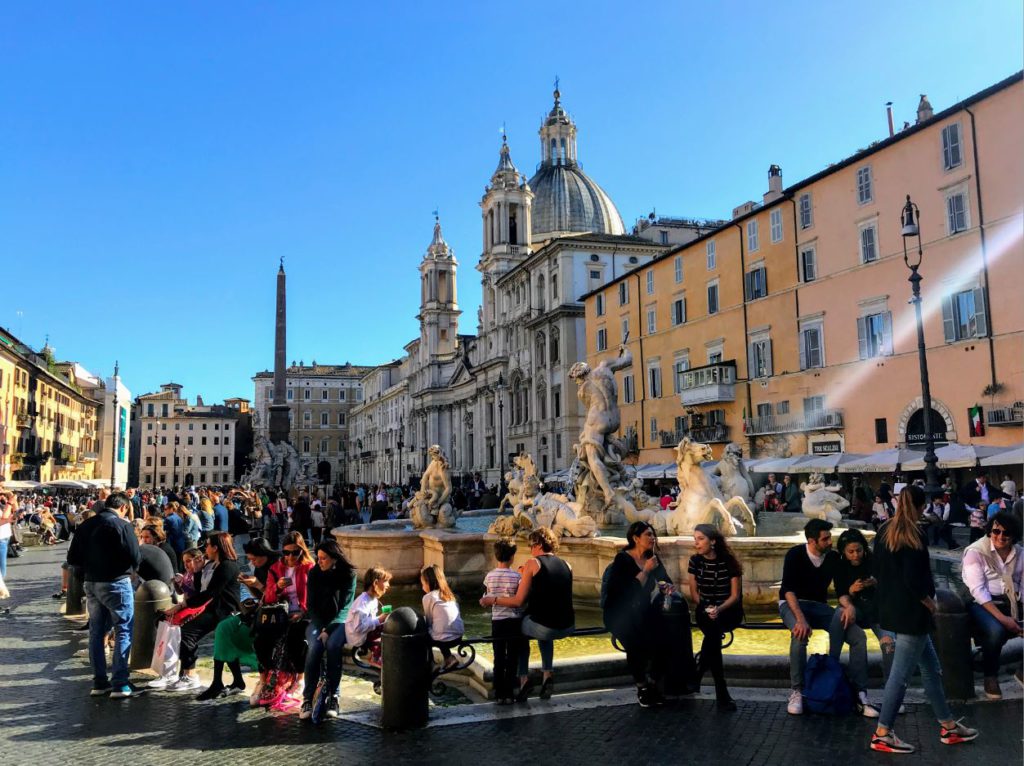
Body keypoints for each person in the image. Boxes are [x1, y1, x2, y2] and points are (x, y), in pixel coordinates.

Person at [870, 485, 979, 754]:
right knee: (900, 676)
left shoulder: (884, 531)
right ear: (920, 507)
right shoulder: (913, 534)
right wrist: (930, 604)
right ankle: (883, 733)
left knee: (931, 669)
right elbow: (914, 579)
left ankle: (949, 726)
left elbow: (878, 571)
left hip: (892, 611)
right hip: (913, 616)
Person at [778, 518, 864, 715]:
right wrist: (800, 619)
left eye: (829, 538)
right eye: (825, 539)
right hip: (792, 604)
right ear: (811, 541)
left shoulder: (832, 557)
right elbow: (788, 591)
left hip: (820, 606)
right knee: (799, 634)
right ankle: (797, 690)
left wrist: (848, 606)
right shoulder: (795, 554)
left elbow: (841, 590)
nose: (829, 542)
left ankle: (860, 692)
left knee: (858, 636)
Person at [480, 527, 574, 701]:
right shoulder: (567, 565)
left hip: (545, 627)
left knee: (519, 627)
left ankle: (523, 679)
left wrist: (492, 600)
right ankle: (547, 674)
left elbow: (518, 601)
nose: (531, 550)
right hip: (567, 625)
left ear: (538, 544)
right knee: (545, 624)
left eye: (531, 546)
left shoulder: (533, 563)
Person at [65, 492, 144, 698]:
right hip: (117, 582)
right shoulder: (122, 526)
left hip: (91, 583)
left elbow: (72, 558)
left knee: (96, 632)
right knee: (123, 630)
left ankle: (99, 682)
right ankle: (120, 683)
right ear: (124, 508)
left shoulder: (86, 526)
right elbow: (136, 556)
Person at [603, 521, 676, 707]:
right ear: (636, 538)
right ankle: (642, 687)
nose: (652, 538)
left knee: (666, 638)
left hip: (641, 611)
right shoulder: (623, 560)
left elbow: (666, 581)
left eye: (653, 534)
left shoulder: (652, 558)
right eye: (648, 535)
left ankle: (652, 682)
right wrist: (646, 570)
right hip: (619, 612)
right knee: (634, 644)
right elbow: (628, 591)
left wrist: (667, 587)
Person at [162, 532, 242, 693]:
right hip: (213, 610)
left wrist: (182, 605)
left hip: (224, 611)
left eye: (207, 545)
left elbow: (211, 592)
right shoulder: (212, 564)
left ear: (215, 547)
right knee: (220, 645)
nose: (205, 548)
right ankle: (237, 682)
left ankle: (190, 675)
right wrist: (197, 571)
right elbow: (200, 590)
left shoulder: (228, 566)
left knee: (190, 634)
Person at [961, 510, 1023, 700]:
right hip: (982, 604)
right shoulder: (976, 552)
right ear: (990, 531)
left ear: (1014, 535)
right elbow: (978, 591)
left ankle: (1022, 671)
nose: (1000, 537)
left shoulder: (1020, 553)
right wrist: (1005, 619)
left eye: (1006, 533)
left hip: (1012, 600)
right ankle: (990, 676)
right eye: (996, 531)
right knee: (995, 631)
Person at [829, 529, 889, 717]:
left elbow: (888, 584)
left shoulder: (874, 561)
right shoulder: (839, 566)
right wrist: (851, 593)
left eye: (859, 550)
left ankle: (891, 695)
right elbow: (841, 595)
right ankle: (852, 687)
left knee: (890, 644)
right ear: (844, 552)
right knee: (844, 618)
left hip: (877, 611)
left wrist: (876, 582)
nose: (856, 555)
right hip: (856, 610)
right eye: (851, 552)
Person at [298, 539, 358, 720]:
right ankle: (307, 698)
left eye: (323, 558)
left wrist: (329, 629)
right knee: (314, 647)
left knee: (333, 646)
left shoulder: (349, 574)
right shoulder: (315, 573)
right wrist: (320, 627)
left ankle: (333, 695)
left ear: (334, 559)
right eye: (318, 558)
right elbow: (311, 606)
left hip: (339, 622)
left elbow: (346, 607)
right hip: (318, 622)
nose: (319, 561)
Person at [688, 523, 743, 711]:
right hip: (705, 609)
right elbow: (694, 593)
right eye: (695, 539)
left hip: (729, 610)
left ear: (713, 541)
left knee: (712, 635)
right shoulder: (695, 561)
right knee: (713, 636)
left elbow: (735, 596)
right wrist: (705, 607)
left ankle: (698, 674)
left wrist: (718, 609)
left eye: (701, 539)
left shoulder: (729, 561)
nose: (697, 543)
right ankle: (721, 693)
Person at [482, 538, 526, 705]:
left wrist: (484, 601)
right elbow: (519, 598)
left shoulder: (489, 576)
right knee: (512, 657)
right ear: (512, 556)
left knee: (498, 656)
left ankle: (499, 693)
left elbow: (487, 595)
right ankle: (510, 693)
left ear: (496, 555)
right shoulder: (517, 576)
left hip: (497, 621)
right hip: (514, 621)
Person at [345, 566, 393, 665]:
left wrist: (381, 619)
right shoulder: (363, 602)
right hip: (358, 637)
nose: (388, 585)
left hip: (363, 633)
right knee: (387, 627)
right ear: (375, 583)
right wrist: (379, 619)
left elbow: (369, 621)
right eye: (385, 581)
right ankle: (376, 658)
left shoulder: (373, 599)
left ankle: (379, 654)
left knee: (390, 624)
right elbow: (358, 627)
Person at [421, 564, 465, 670]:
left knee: (423, 634)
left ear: (428, 582)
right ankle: (449, 658)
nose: (422, 587)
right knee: (441, 630)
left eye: (422, 583)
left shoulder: (428, 597)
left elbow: (428, 621)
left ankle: (431, 664)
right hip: (458, 635)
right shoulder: (450, 595)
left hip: (443, 639)